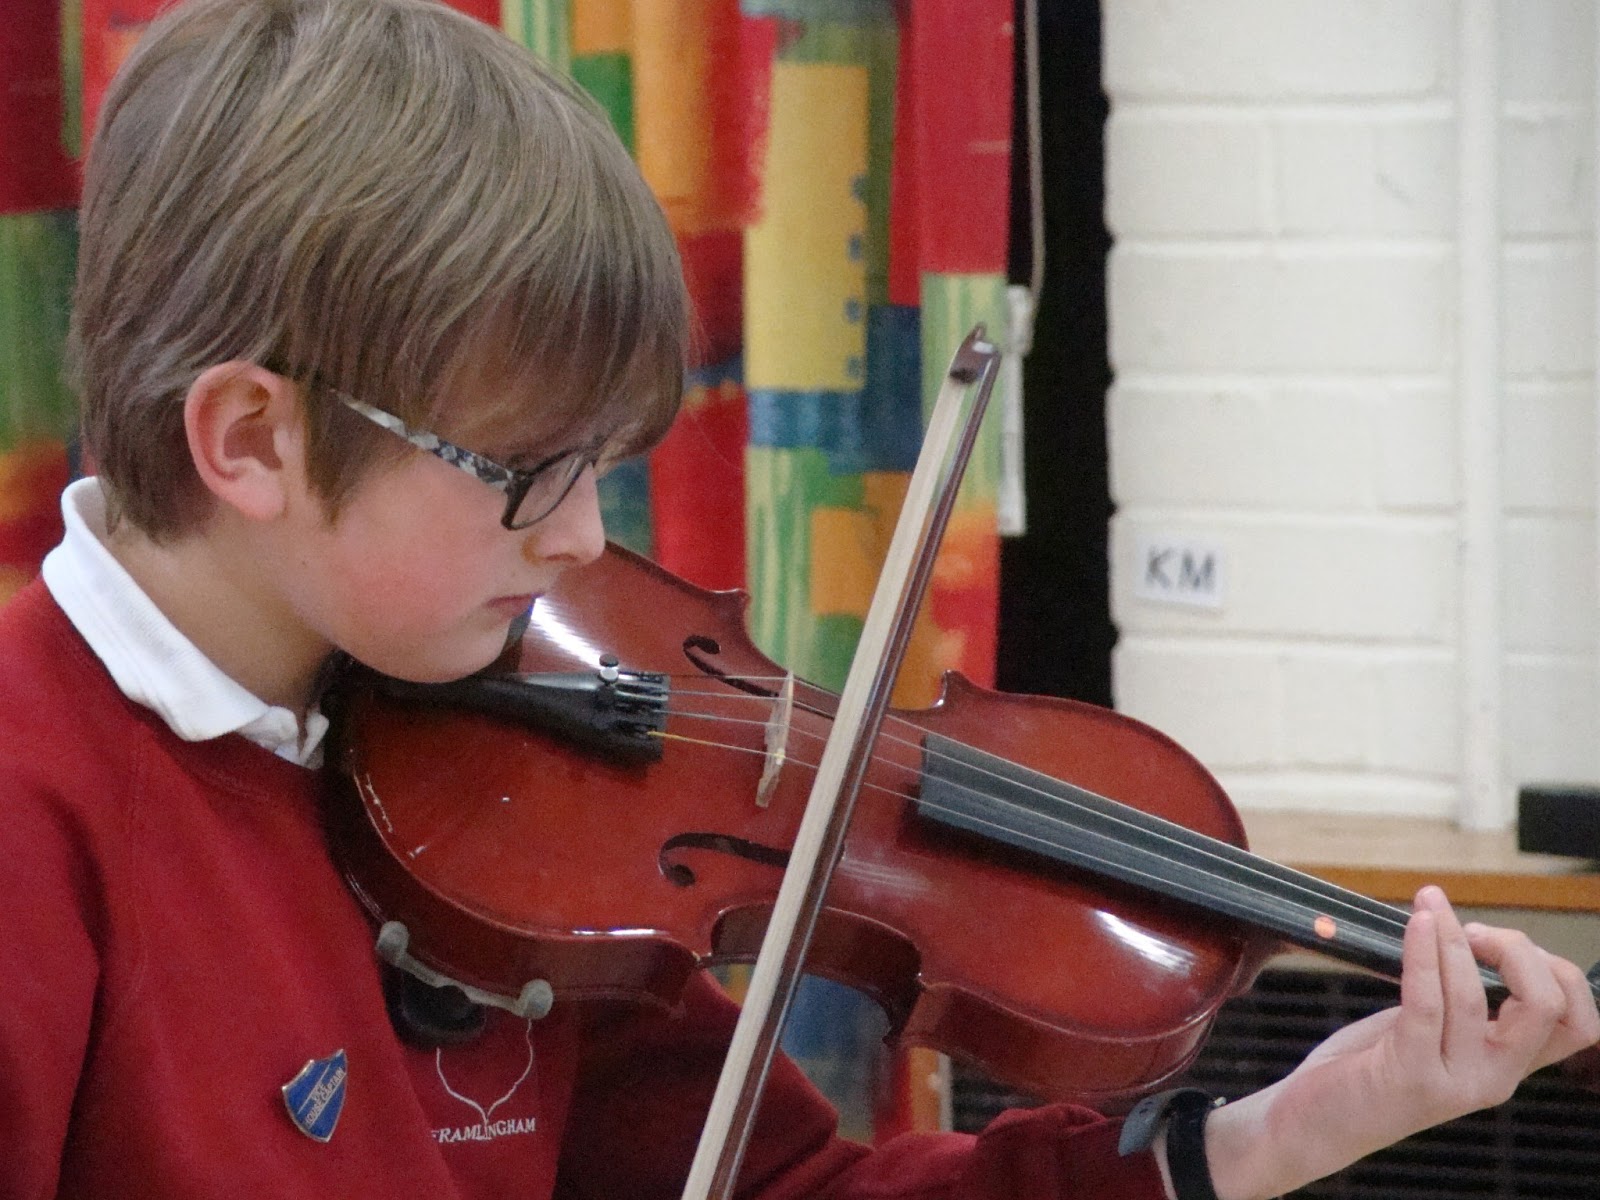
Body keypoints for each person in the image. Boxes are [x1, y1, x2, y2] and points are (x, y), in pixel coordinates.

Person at [0, 0, 1594, 1197]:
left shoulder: (506, 811)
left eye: (607, 464)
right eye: (526, 470)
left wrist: (1288, 1127)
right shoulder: (37, 808)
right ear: (252, 440)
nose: (580, 539)